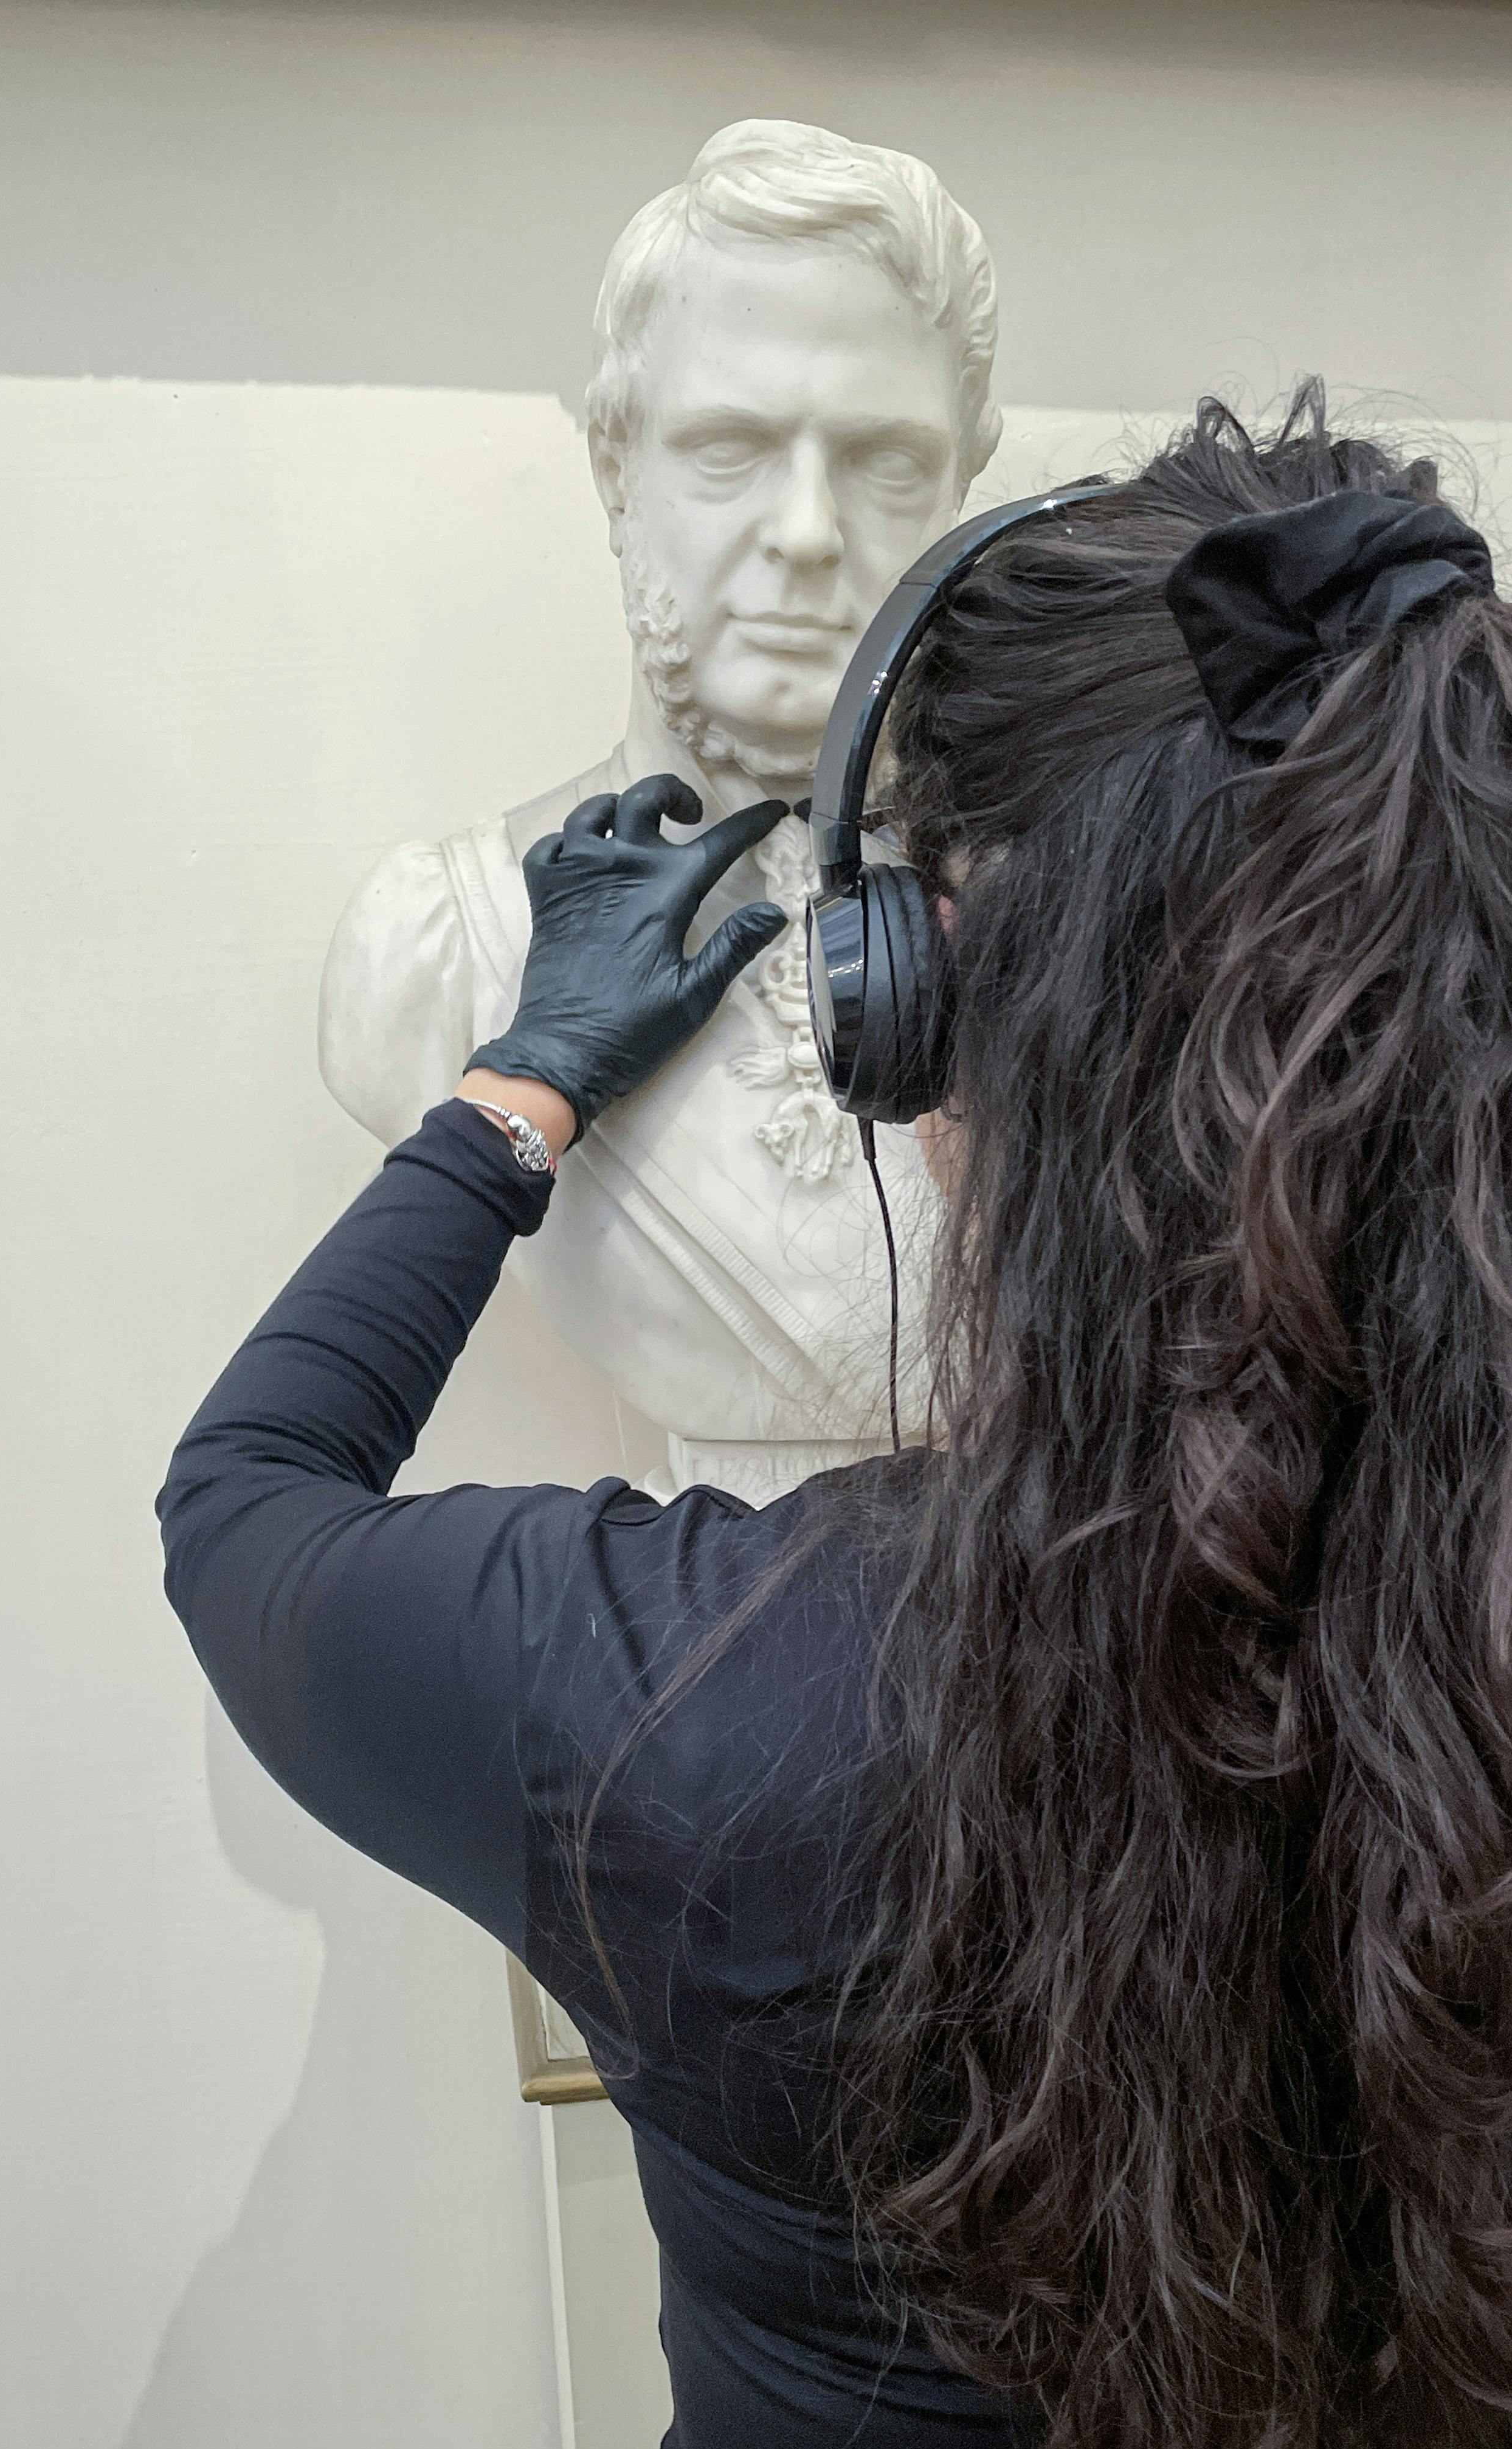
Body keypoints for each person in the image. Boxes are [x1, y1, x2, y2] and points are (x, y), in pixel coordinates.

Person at [161, 386, 1512, 2449]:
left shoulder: (695, 1712)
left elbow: (244, 1500)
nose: (785, 526)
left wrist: (523, 1090)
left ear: (916, 1001)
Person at [317, 117, 1006, 1506]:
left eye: (880, 460)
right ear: (615, 466)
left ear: (963, 488)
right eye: (730, 449)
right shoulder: (437, 949)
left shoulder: (1085, 921)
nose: (808, 532)